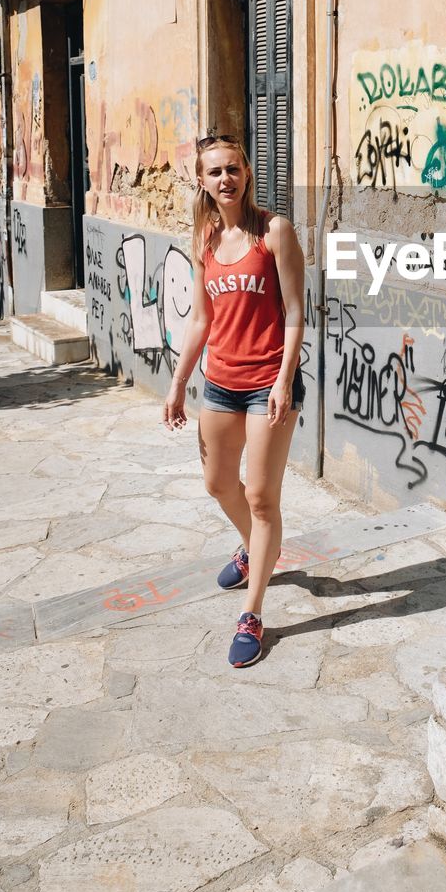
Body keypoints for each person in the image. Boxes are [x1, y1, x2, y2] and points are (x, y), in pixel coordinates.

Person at [162, 134, 305, 667]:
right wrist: (178, 382)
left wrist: (285, 381)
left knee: (264, 499)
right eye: (214, 171)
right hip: (220, 381)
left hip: (269, 383)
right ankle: (257, 552)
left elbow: (294, 312)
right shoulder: (204, 239)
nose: (226, 179)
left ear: (247, 172)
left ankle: (253, 612)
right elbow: (201, 317)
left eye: (233, 168)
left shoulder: (275, 232)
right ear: (202, 181)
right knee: (218, 483)